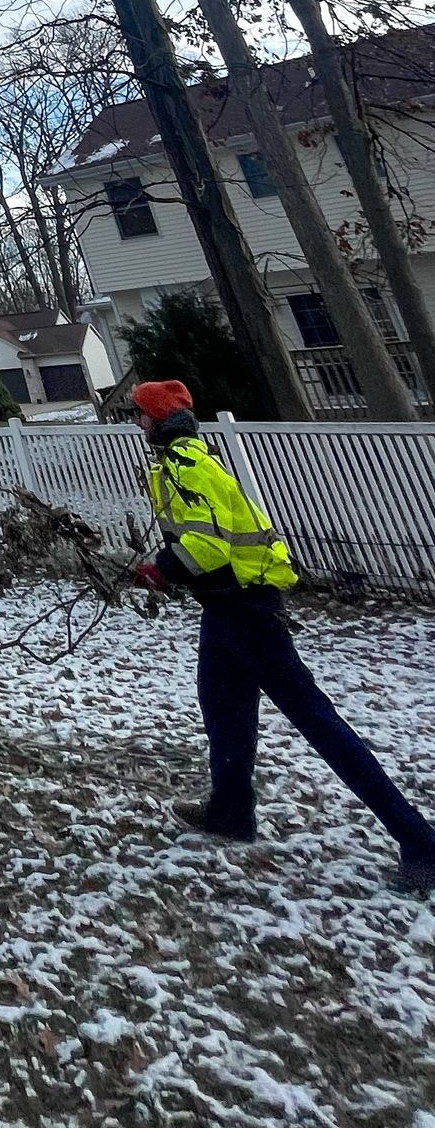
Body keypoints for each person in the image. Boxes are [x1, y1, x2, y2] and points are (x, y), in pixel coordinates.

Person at [131, 376, 435, 892]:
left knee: (319, 724)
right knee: (224, 713)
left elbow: (207, 550)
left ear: (157, 420)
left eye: (140, 414)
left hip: (248, 614)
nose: (135, 423)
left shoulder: (184, 467)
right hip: (228, 610)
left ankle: (419, 840)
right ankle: (230, 814)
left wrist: (159, 570)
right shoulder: (188, 460)